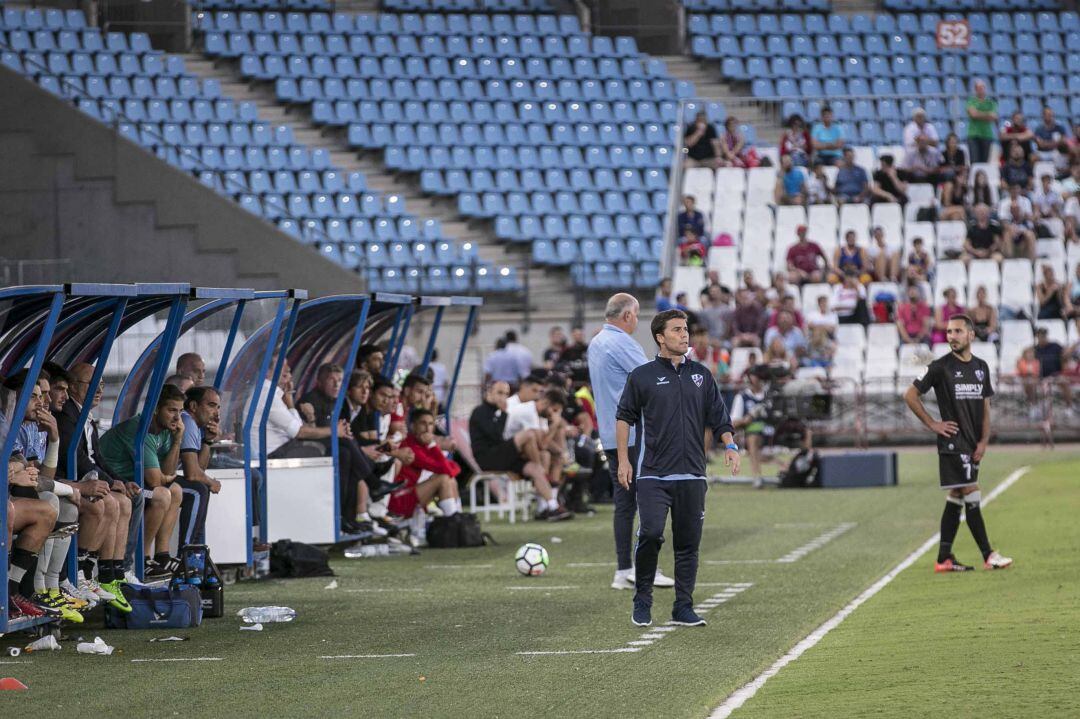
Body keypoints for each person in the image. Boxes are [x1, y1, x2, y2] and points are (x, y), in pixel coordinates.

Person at [615, 309, 740, 627]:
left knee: (688, 544)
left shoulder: (701, 374)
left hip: (693, 474)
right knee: (652, 533)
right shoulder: (641, 376)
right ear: (660, 337)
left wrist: (730, 445)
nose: (684, 335)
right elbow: (624, 418)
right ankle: (642, 599)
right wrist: (623, 460)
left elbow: (718, 414)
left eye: (685, 329)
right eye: (676, 330)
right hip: (653, 473)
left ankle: (683, 607)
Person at [904, 314, 1012, 572]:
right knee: (971, 490)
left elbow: (985, 407)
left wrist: (984, 441)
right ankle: (989, 555)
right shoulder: (940, 366)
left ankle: (944, 558)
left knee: (956, 494)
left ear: (971, 335)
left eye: (957, 331)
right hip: (953, 443)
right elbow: (910, 395)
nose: (951, 336)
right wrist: (933, 424)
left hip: (972, 442)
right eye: (949, 332)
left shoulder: (981, 367)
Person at [586, 293, 676, 591]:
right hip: (635, 434)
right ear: (627, 316)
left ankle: (623, 570)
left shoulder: (596, 342)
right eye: (636, 315)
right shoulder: (621, 343)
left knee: (624, 503)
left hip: (611, 435)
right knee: (650, 498)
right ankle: (643, 568)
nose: (637, 321)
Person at [55, 362, 139, 604]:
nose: (99, 390)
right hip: (69, 481)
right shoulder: (66, 416)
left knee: (125, 501)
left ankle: (113, 572)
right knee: (109, 504)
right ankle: (84, 572)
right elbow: (75, 457)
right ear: (72, 387)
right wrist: (109, 482)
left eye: (101, 384)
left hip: (85, 479)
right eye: (91, 384)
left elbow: (97, 457)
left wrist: (118, 480)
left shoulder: (85, 415)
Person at [97, 384, 185, 582]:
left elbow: (168, 473)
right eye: (171, 410)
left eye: (180, 411)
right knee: (162, 495)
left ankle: (161, 556)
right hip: (111, 485)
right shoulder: (139, 429)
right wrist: (163, 477)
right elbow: (156, 480)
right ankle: (142, 560)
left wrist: (178, 441)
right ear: (155, 409)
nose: (177, 417)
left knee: (176, 490)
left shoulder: (166, 431)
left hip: (133, 485)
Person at [467, 381, 570, 521]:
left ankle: (552, 507)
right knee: (529, 435)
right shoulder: (480, 411)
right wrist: (503, 414)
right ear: (489, 392)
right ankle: (543, 486)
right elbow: (497, 435)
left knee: (535, 468)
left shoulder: (505, 410)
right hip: (488, 457)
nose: (503, 397)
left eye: (506, 394)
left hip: (505, 454)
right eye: (500, 393)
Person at [388, 409, 461, 541]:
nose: (427, 428)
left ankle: (457, 520)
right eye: (423, 423)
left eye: (431, 424)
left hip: (409, 495)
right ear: (413, 426)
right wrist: (433, 444)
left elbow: (454, 468)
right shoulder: (411, 446)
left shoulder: (421, 445)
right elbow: (446, 470)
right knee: (444, 479)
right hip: (398, 499)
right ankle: (456, 525)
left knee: (450, 480)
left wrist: (432, 446)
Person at [175, 386, 221, 552]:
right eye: (211, 405)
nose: (216, 413)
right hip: (143, 479)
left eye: (218, 407)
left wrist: (208, 441)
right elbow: (193, 474)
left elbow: (198, 469)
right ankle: (187, 553)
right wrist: (212, 482)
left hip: (160, 476)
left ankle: (195, 553)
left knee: (200, 488)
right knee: (197, 491)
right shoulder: (187, 421)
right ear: (193, 406)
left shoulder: (193, 424)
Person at [965, 79, 998, 164]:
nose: (981, 90)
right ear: (975, 89)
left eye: (982, 88)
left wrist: (978, 114)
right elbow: (973, 114)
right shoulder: (971, 101)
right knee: (974, 161)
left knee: (985, 162)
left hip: (987, 135)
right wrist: (987, 115)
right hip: (973, 135)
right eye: (979, 88)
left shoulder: (991, 102)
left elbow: (994, 116)